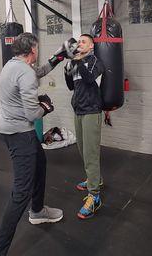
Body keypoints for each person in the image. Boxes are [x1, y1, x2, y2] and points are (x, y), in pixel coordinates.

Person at [0, 33, 77, 256]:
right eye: (37, 48)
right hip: (21, 134)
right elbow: (32, 113)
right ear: (33, 50)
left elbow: (38, 72)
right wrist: (46, 107)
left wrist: (58, 57)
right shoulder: (25, 73)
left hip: (12, 131)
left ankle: (37, 211)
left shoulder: (12, 65)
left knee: (41, 164)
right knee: (20, 193)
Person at [64, 34, 105, 219]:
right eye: (78, 41)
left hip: (91, 111)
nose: (79, 43)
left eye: (83, 42)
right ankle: (95, 178)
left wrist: (77, 60)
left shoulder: (96, 62)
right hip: (79, 110)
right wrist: (67, 69)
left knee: (90, 153)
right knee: (82, 149)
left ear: (91, 46)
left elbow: (89, 80)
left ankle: (94, 196)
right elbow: (71, 86)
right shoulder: (76, 62)